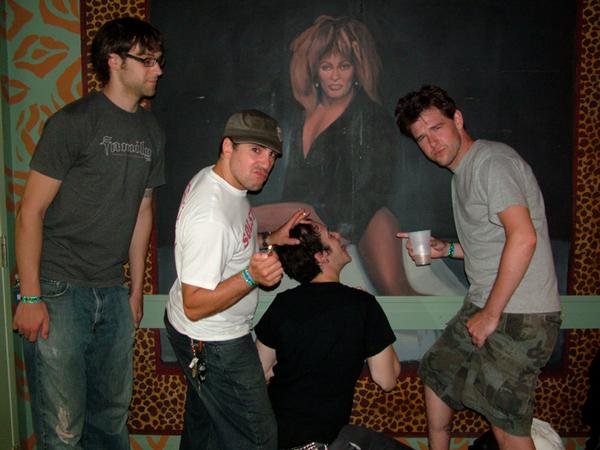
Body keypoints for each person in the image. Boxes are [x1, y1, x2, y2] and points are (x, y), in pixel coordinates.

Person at [12, 17, 165, 449]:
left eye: (159, 60)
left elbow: (143, 211)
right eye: (147, 60)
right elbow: (31, 212)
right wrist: (31, 297)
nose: (158, 69)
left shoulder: (152, 131)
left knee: (111, 423)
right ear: (114, 61)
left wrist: (134, 291)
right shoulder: (73, 122)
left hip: (112, 291)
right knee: (63, 431)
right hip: (58, 289)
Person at [394, 85, 562, 450]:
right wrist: (447, 249)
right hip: (487, 303)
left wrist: (490, 314)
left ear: (457, 119)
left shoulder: (491, 162)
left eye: (436, 128)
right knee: (437, 371)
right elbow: (493, 246)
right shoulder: (463, 173)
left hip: (520, 313)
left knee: (506, 425)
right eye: (421, 138)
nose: (431, 143)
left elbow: (524, 238)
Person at [164, 109, 308, 450]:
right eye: (256, 150)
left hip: (206, 335)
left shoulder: (223, 182)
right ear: (227, 146)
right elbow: (195, 304)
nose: (266, 163)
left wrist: (270, 238)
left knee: (205, 435)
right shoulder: (210, 216)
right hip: (213, 342)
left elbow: (231, 245)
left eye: (271, 155)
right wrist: (251, 276)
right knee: (258, 439)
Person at [253, 15, 418, 295]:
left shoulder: (371, 116)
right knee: (248, 218)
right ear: (315, 71)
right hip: (309, 219)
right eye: (327, 67)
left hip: (350, 218)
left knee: (399, 295)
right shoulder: (300, 118)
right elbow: (293, 186)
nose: (335, 76)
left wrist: (344, 230)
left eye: (344, 66)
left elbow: (375, 186)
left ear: (356, 70)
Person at [255, 221, 411, 450]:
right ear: (321, 256)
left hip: (272, 437)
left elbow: (260, 371)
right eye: (330, 235)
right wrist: (371, 323)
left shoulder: (283, 303)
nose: (338, 235)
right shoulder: (361, 305)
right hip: (324, 443)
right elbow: (386, 380)